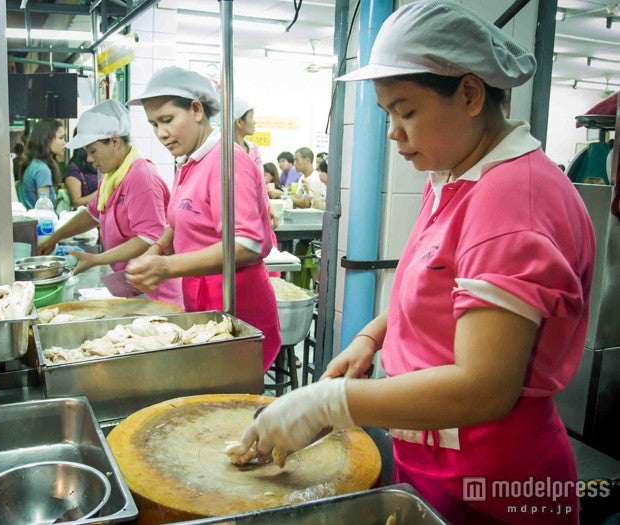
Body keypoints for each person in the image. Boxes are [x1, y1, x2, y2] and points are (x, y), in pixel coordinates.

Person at [230, 2, 595, 524]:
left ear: (469, 94)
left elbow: (483, 385)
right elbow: (434, 282)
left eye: (407, 111)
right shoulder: (456, 177)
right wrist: (372, 338)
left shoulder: (512, 200)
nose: (394, 133)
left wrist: (332, 402)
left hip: (491, 486)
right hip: (437, 460)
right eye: (387, 115)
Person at [124, 65, 281, 372]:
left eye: (167, 120)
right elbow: (180, 220)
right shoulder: (190, 163)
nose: (161, 133)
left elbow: (248, 244)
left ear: (196, 109)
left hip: (238, 312)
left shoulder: (228, 161)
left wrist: (166, 267)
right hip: (206, 306)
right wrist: (158, 248)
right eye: (154, 124)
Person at [37, 99, 182, 308]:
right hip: (133, 286)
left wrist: (98, 259)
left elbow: (149, 238)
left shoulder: (141, 177)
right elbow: (92, 213)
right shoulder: (112, 176)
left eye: (93, 150)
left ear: (114, 142)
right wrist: (55, 237)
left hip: (155, 293)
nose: (88, 158)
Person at [19, 119, 65, 209]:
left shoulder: (34, 163)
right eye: (60, 138)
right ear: (46, 139)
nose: (64, 143)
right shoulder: (42, 170)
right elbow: (44, 210)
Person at [64, 140, 100, 208]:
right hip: (87, 213)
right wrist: (101, 192)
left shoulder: (98, 164)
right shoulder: (73, 168)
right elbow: (76, 202)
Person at [234, 97, 263, 173]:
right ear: (239, 122)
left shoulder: (254, 149)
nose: (254, 122)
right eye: (251, 116)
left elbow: (260, 179)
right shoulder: (224, 151)